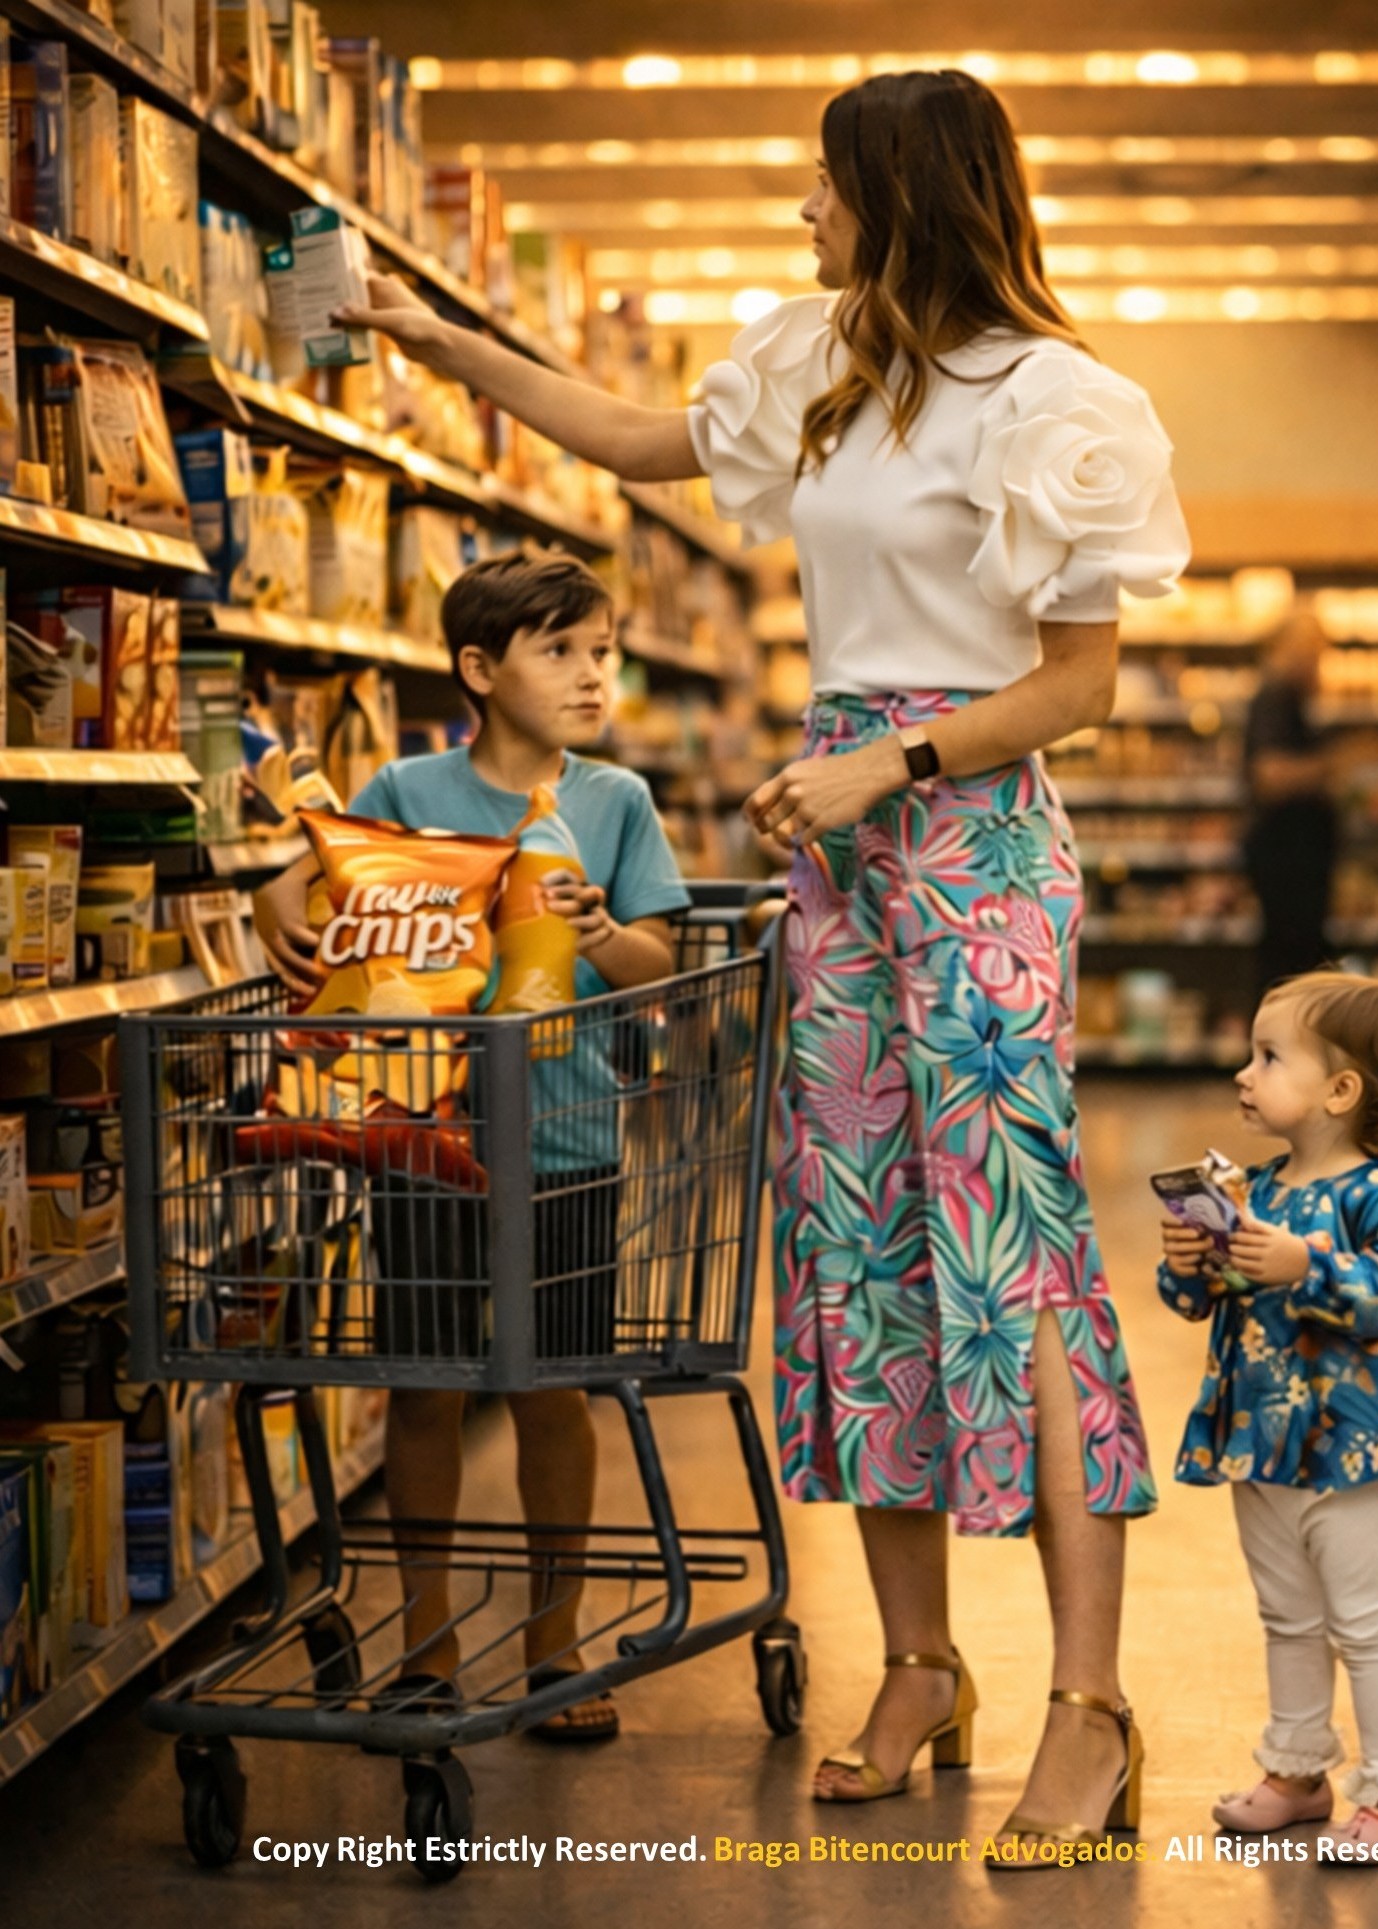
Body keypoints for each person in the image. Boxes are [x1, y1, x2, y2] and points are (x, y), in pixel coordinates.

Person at [336, 66, 1189, 1860]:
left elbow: (1078, 685)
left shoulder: (1059, 401)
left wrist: (893, 756)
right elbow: (633, 438)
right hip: (840, 855)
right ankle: (919, 1659)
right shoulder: (816, 360)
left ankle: (1090, 1703)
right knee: (855, 1242)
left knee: (1008, 1253)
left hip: (968, 845)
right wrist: (432, 333)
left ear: (899, 189)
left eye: (817, 186)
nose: (795, 215)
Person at [253, 552, 689, 1740]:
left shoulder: (613, 805)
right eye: (562, 652)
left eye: (602, 651)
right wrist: (283, 904)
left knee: (552, 1387)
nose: (594, 675)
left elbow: (664, 961)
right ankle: (429, 1633)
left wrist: (603, 934)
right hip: (424, 1139)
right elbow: (301, 883)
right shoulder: (406, 785)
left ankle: (555, 1637)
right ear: (481, 670)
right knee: (428, 1382)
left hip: (565, 1139)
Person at [1157, 971, 1378, 1852]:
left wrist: (1305, 1265)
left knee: (1364, 1621)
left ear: (1340, 1090)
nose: (1243, 1074)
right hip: (1262, 1438)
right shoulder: (1257, 1188)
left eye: (1266, 1055)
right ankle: (1294, 1770)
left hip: (1354, 1445)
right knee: (1286, 1614)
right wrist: (1191, 1258)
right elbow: (1194, 1300)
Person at [1245, 609, 1338, 995]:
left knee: (1294, 965)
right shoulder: (1275, 697)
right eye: (1314, 650)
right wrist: (1333, 766)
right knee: (1289, 969)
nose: (1319, 662)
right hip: (1288, 863)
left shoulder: (1289, 699)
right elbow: (1269, 775)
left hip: (1294, 862)